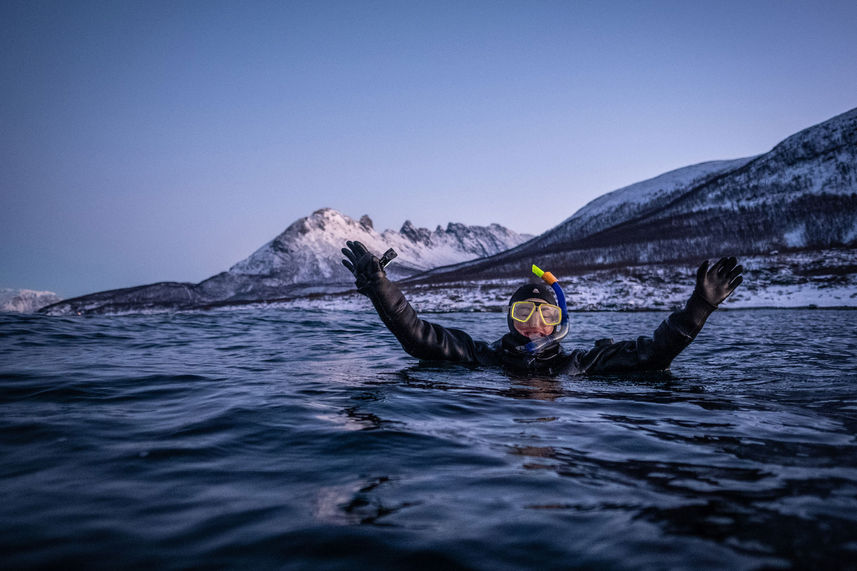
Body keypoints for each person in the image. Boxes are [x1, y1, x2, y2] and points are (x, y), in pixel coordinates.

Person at [341, 241, 743, 375]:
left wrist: (700, 306)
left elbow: (653, 354)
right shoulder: (483, 358)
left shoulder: (581, 365)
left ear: (559, 323)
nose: (535, 325)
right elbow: (419, 337)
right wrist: (381, 289)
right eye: (524, 314)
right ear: (510, 320)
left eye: (546, 316)